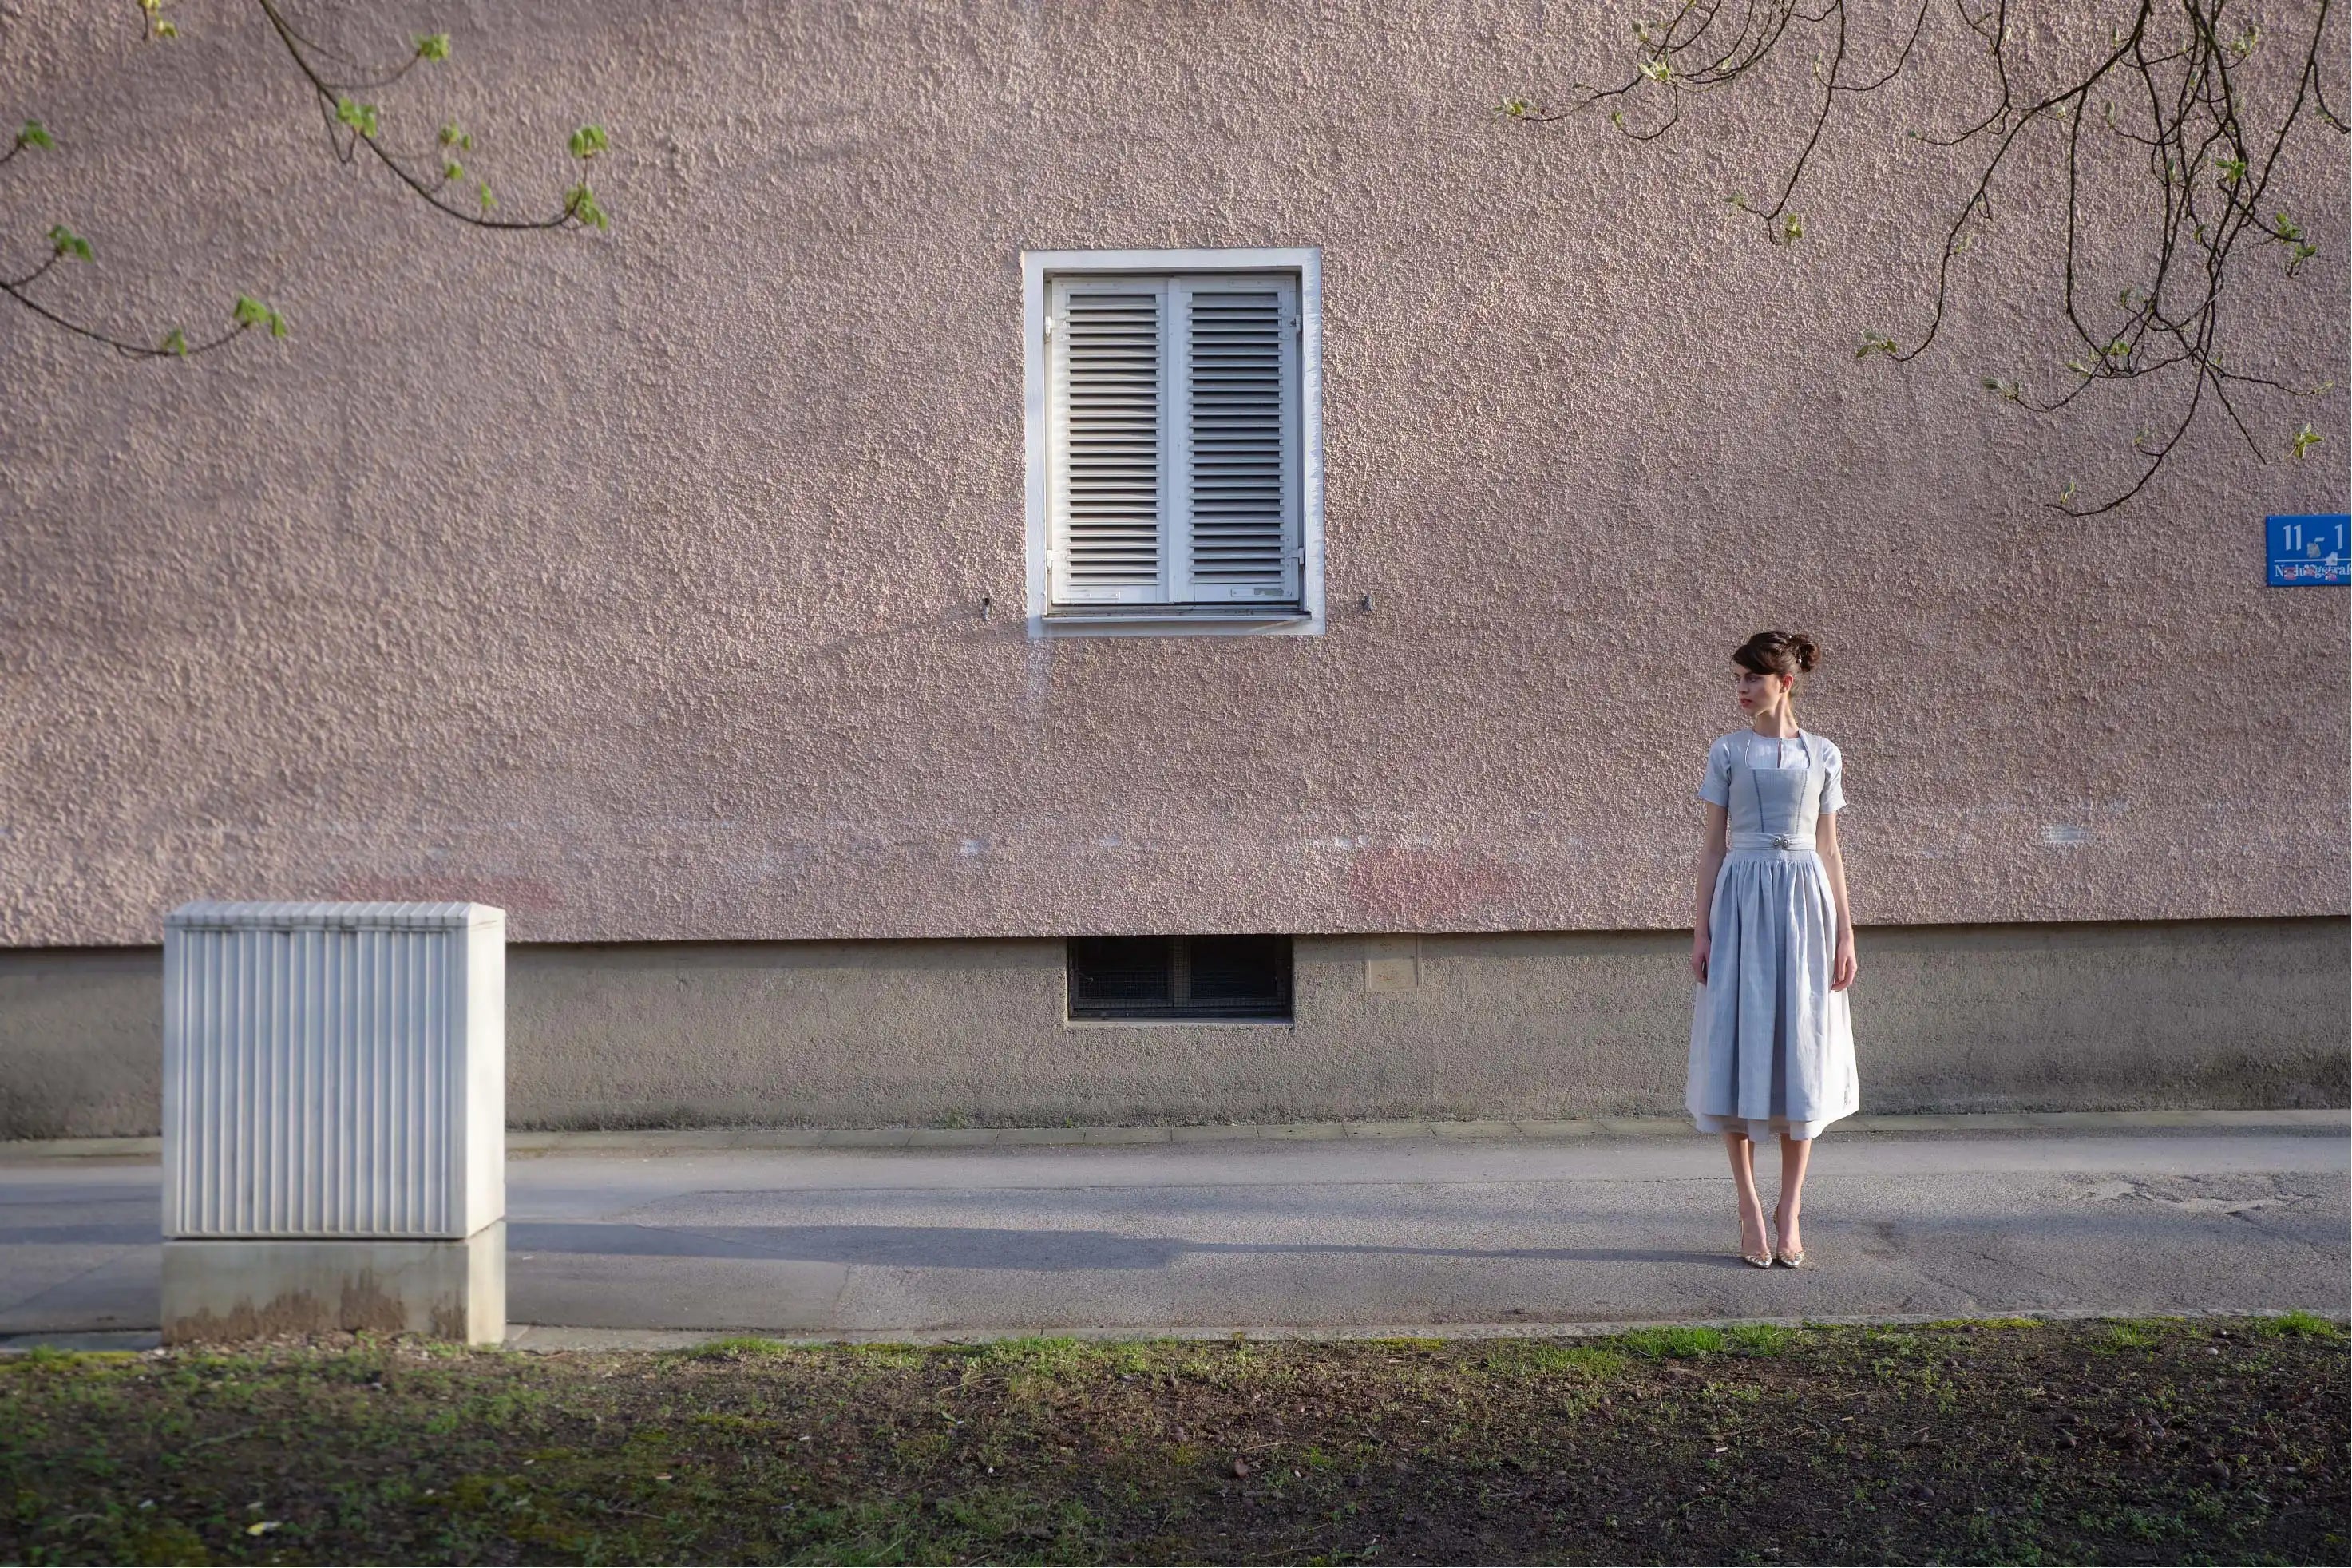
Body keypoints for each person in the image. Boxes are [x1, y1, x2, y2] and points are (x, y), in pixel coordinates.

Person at [1687, 630, 1859, 1269]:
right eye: (1736, 678)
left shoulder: (1824, 755)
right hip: (1739, 903)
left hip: (1805, 906)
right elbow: (1711, 848)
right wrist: (1701, 930)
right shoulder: (1727, 753)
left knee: (1801, 1051)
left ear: (1784, 683)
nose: (1740, 690)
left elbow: (1831, 848)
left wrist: (1845, 929)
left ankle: (1790, 1210)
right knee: (1736, 1046)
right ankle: (1748, 1207)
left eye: (1751, 679)